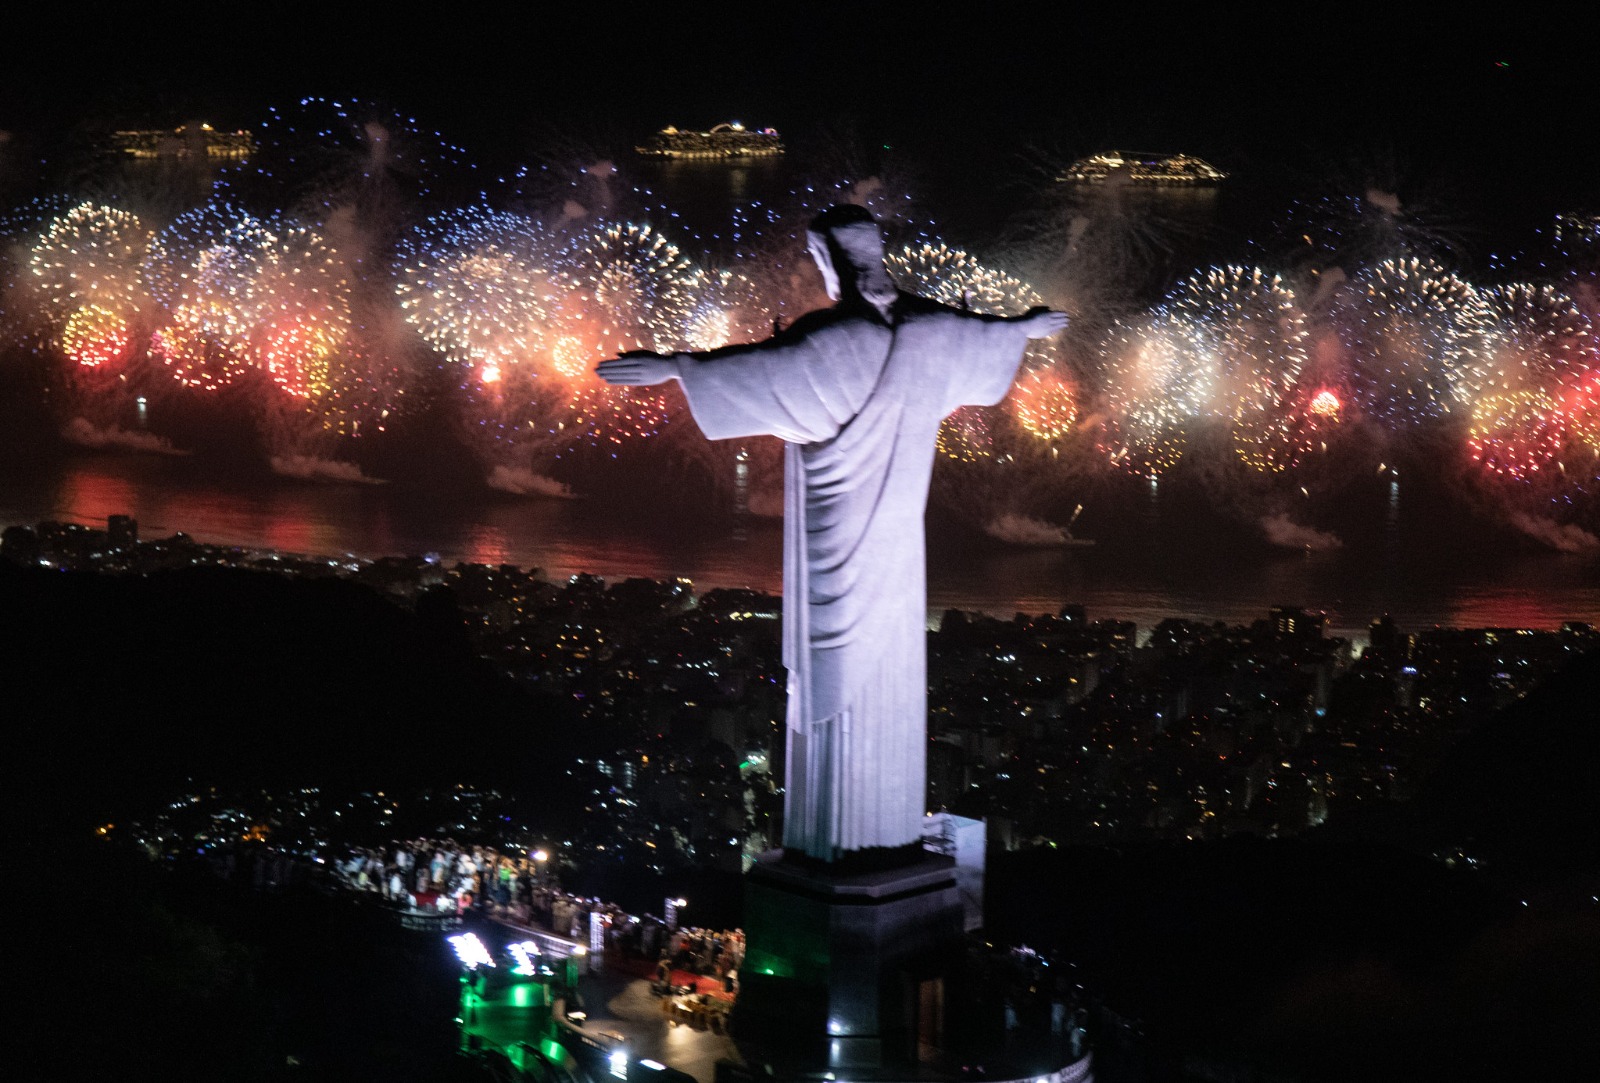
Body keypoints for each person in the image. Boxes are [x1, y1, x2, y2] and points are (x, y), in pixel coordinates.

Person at [598, 204, 1066, 862]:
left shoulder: (833, 341)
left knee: (832, 682)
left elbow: (756, 370)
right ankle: (878, 841)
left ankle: (841, 847)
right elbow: (985, 339)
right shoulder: (933, 329)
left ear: (826, 261)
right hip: (901, 555)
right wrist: (1025, 328)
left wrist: (677, 366)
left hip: (835, 542)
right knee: (886, 675)